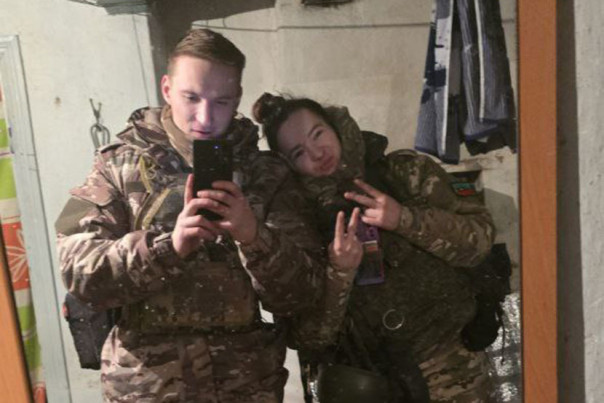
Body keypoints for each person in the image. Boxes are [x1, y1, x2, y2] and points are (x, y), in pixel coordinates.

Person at [54, 30, 327, 403]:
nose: (205, 117)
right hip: (146, 386)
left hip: (246, 385)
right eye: (191, 97)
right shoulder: (116, 165)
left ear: (238, 98)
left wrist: (253, 236)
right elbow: (79, 273)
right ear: (167, 89)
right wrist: (169, 247)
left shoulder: (267, 174)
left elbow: (303, 293)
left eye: (222, 101)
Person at [252, 93, 497, 402]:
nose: (317, 153)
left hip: (457, 364)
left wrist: (404, 219)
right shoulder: (298, 226)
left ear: (334, 126)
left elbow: (480, 241)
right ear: (289, 163)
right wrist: (340, 272)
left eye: (318, 134)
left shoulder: (403, 172)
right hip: (374, 384)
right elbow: (308, 338)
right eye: (299, 152)